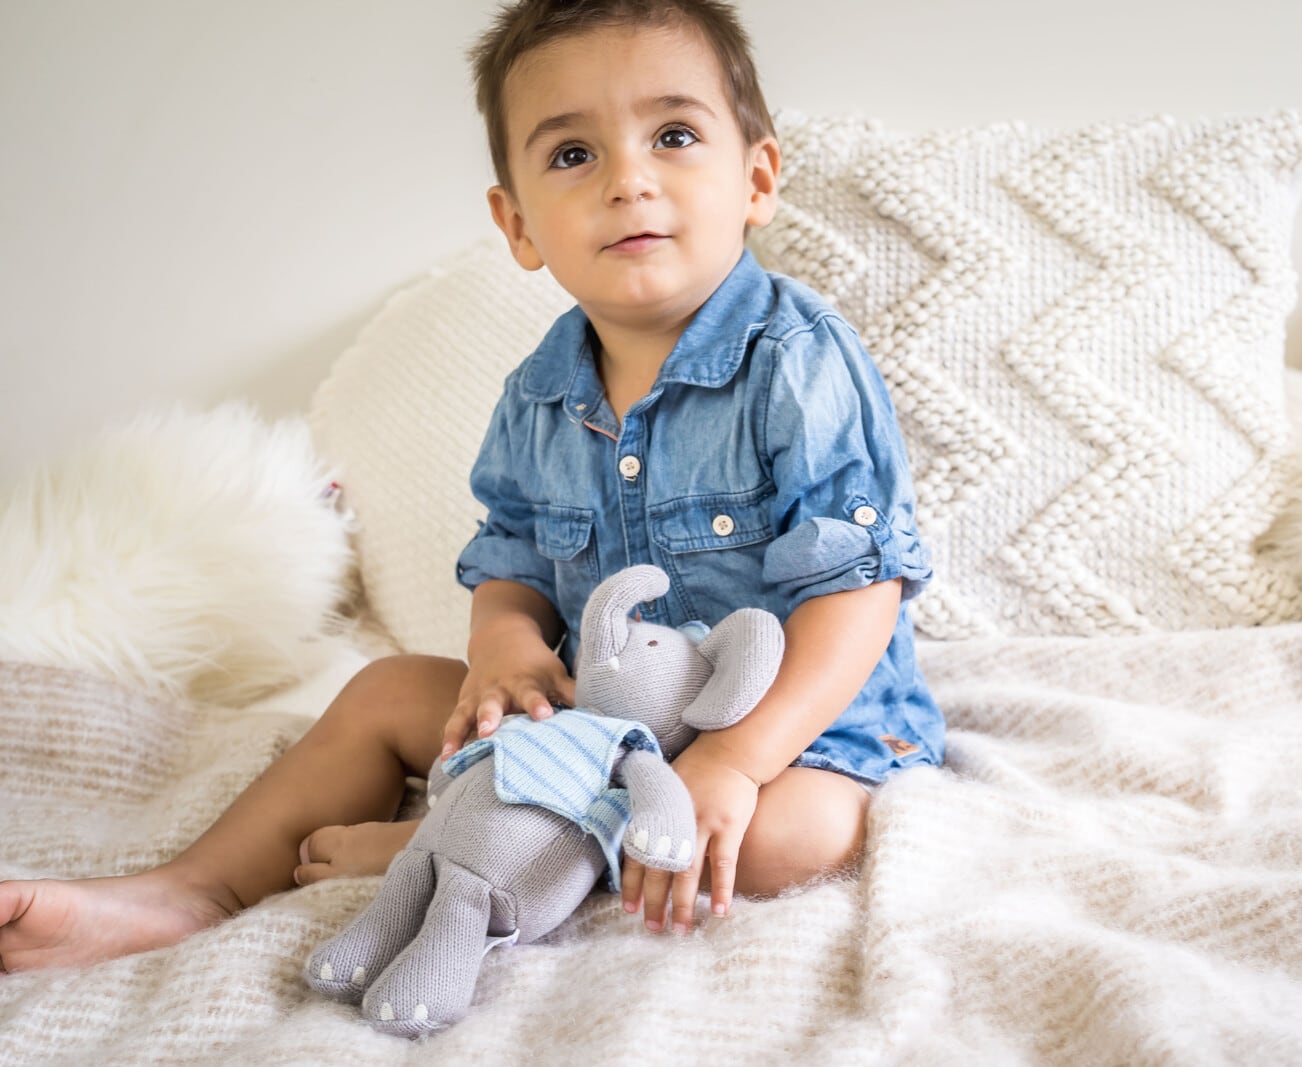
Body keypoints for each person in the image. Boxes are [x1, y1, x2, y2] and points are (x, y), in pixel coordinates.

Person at [0, 0, 943, 972]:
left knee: (793, 837)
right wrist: (504, 645)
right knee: (384, 691)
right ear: (518, 224)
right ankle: (195, 887)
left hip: (799, 728)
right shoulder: (538, 394)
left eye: (672, 135)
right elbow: (513, 559)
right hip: (598, 722)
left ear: (757, 180)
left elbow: (859, 589)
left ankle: (455, 847)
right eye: (573, 154)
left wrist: (733, 761)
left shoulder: (799, 363)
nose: (628, 180)